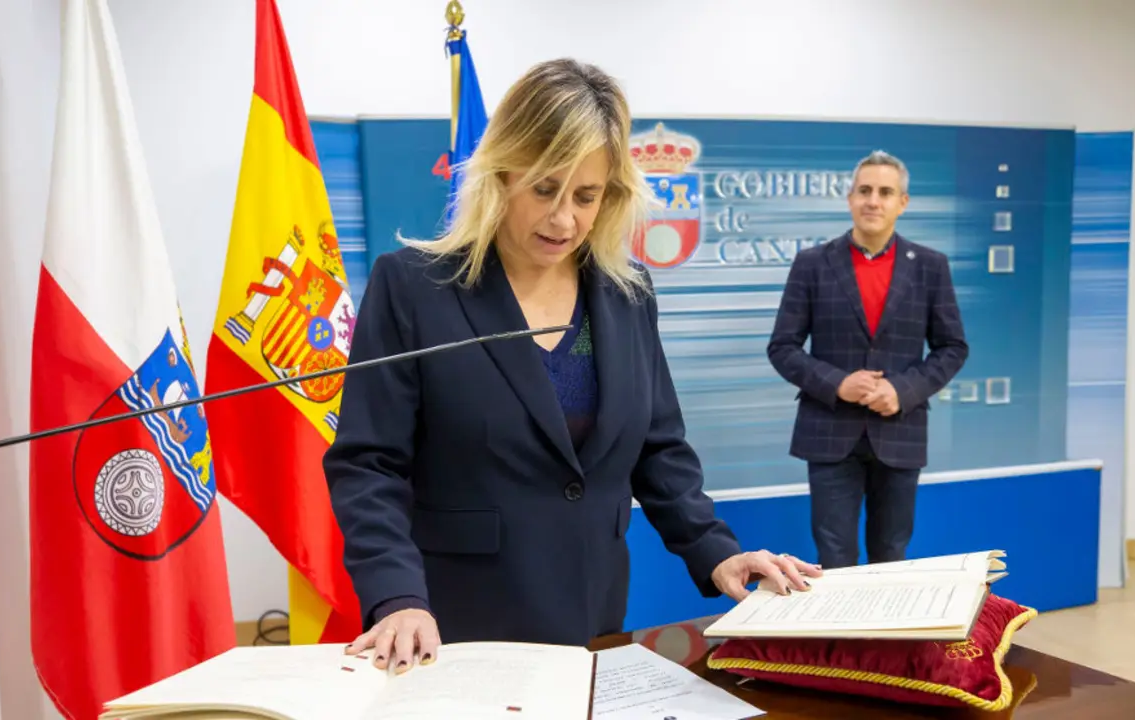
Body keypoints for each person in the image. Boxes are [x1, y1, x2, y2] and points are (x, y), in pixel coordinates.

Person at [324, 58, 821, 674]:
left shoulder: (627, 292)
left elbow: (659, 449)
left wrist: (715, 551)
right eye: (544, 189)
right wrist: (395, 596)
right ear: (502, 172)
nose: (564, 220)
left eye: (586, 196)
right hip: (453, 628)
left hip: (593, 617)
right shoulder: (414, 287)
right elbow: (370, 464)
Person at [767, 150, 968, 571]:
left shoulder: (931, 267)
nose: (873, 200)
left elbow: (953, 347)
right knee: (834, 559)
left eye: (885, 192)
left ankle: (882, 640)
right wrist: (837, 383)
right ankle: (839, 639)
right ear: (850, 198)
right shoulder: (812, 264)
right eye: (865, 190)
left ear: (902, 202)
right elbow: (782, 346)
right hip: (828, 432)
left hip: (901, 432)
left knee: (891, 557)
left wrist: (903, 389)